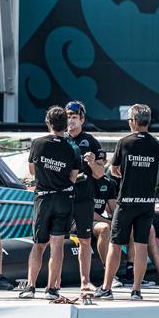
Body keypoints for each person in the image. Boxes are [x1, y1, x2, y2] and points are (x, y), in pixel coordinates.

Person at [96, 104, 159, 301]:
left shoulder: (125, 142)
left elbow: (114, 170)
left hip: (126, 201)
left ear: (133, 121)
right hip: (146, 202)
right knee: (141, 246)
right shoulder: (156, 144)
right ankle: (136, 290)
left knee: (115, 245)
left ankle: (107, 288)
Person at [19, 106, 80, 300]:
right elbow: (73, 176)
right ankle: (52, 289)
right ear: (65, 125)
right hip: (63, 199)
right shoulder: (73, 147)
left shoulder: (38, 143)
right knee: (57, 245)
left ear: (48, 123)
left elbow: (32, 171)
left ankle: (30, 287)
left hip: (44, 198)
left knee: (38, 245)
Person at [65, 101, 106, 291]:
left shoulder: (90, 141)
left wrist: (91, 163)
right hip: (62, 198)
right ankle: (51, 282)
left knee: (85, 239)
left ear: (81, 119)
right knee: (54, 239)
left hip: (84, 198)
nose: (70, 121)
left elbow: (100, 174)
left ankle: (85, 280)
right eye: (68, 117)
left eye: (74, 117)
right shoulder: (59, 139)